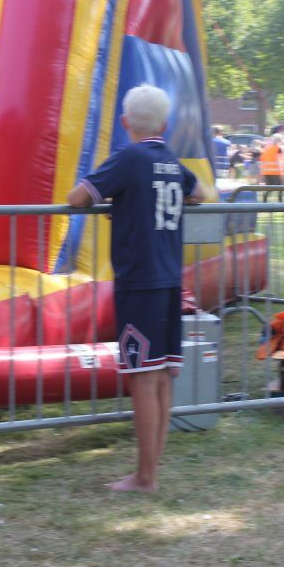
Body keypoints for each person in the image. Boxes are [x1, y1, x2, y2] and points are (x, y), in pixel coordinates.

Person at [67, 84, 204, 493]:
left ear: (126, 122)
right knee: (161, 377)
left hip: (139, 283)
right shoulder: (172, 162)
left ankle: (145, 476)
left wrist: (119, 202)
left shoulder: (128, 158)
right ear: (165, 125)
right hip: (169, 280)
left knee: (142, 378)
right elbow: (198, 192)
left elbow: (78, 197)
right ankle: (150, 472)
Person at [259, 133, 284, 201]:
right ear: (279, 140)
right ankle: (280, 202)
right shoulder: (278, 148)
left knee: (269, 188)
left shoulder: (266, 148)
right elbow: (282, 159)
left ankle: (264, 201)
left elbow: (262, 159)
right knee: (280, 188)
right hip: (275, 172)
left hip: (267, 171)